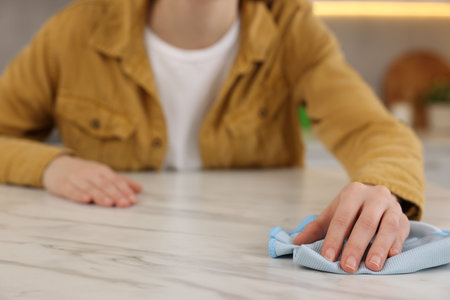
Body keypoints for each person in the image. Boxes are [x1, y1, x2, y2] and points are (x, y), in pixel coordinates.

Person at [0, 0, 424, 274]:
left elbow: (374, 130)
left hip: (251, 274)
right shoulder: (72, 32)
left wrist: (380, 188)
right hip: (95, 267)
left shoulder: (292, 31)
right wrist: (50, 166)